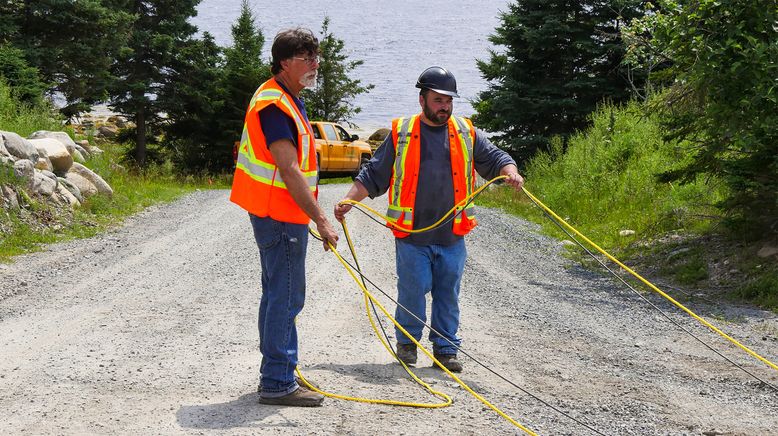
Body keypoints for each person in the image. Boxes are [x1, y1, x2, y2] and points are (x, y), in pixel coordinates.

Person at [334, 66, 524, 373]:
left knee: (448, 291)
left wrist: (510, 171)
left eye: (448, 101)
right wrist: (348, 201)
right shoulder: (403, 132)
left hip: (452, 236)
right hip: (412, 236)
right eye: (438, 100)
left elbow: (497, 158)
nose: (444, 107)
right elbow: (373, 174)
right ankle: (407, 343)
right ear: (422, 100)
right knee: (413, 288)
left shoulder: (466, 131)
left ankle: (445, 350)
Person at [230, 27, 339, 407]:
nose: (314, 64)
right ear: (283, 63)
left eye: (316, 57)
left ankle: (278, 374)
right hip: (277, 215)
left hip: (278, 213)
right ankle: (277, 382)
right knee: (286, 297)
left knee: (278, 294)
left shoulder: (287, 96)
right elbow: (289, 170)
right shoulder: (275, 104)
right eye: (306, 58)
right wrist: (322, 220)